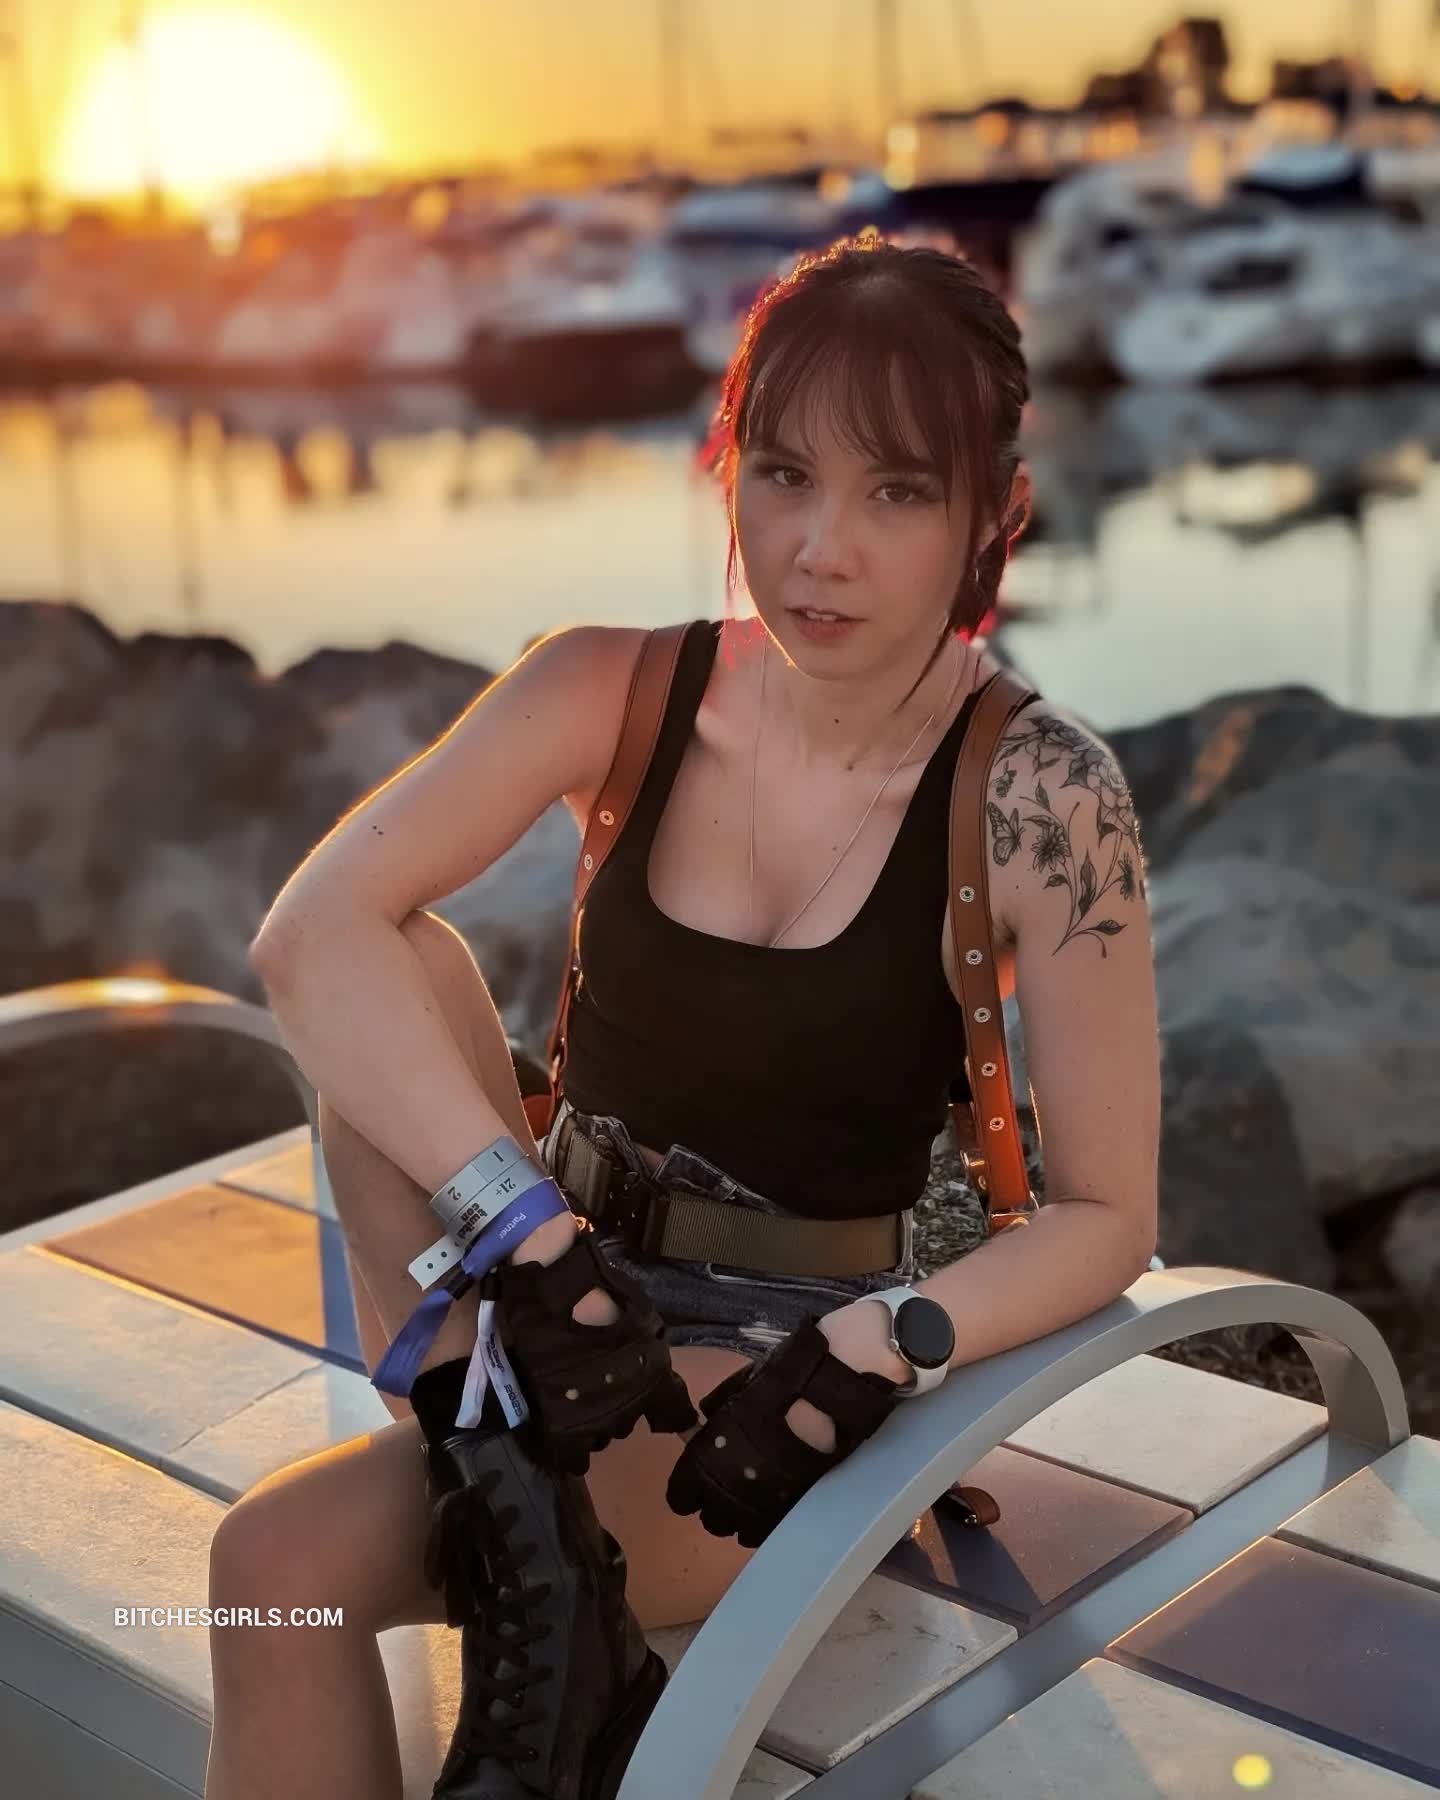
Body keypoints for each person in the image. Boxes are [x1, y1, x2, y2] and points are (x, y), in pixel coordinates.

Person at [205, 236, 1162, 1800]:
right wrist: (530, 1237)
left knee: (278, 1565)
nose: (820, 550)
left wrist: (893, 1342)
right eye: (783, 475)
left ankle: (526, 1537)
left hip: (773, 1375)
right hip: (528, 1285)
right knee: (393, 959)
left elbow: (1111, 1214)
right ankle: (525, 1521)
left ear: (997, 513)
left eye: (897, 492)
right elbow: (307, 934)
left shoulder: (1045, 796)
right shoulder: (612, 689)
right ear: (729, 470)